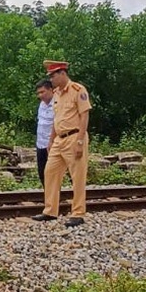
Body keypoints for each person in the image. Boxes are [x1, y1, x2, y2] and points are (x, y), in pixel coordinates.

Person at [32, 60, 92, 227]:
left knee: (77, 176)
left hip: (74, 136)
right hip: (59, 139)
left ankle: (78, 213)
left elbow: (84, 116)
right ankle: (50, 210)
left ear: (62, 73)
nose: (51, 79)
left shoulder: (78, 90)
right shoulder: (57, 93)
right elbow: (56, 119)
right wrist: (51, 139)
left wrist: (80, 140)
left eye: (53, 75)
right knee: (50, 172)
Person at [35, 78, 55, 186]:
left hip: (52, 144)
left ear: (51, 90)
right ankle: (48, 198)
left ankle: (54, 198)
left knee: (52, 173)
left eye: (42, 92)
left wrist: (52, 141)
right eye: (38, 93)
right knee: (42, 173)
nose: (40, 95)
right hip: (41, 144)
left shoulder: (57, 103)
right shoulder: (42, 105)